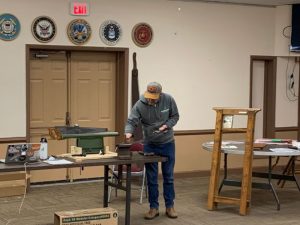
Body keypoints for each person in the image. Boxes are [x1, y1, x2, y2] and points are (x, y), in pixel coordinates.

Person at [125, 81, 179, 220]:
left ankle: (169, 206)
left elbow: (175, 116)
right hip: (150, 144)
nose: (150, 99)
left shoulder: (168, 99)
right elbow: (131, 121)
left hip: (167, 143)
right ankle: (153, 208)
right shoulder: (140, 104)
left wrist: (166, 125)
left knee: (169, 177)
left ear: (160, 94)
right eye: (149, 95)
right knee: (151, 178)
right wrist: (128, 133)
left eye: (154, 96)